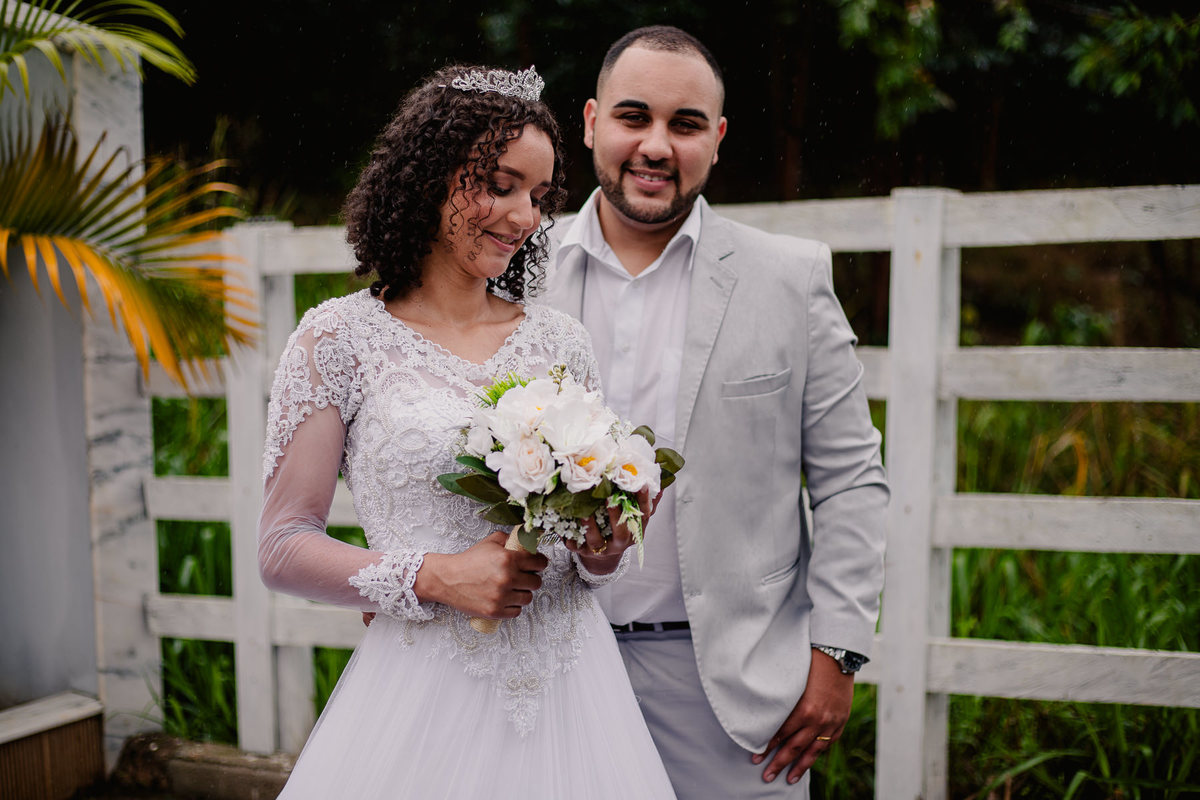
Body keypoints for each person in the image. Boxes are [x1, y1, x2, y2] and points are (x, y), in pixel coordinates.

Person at [257, 64, 676, 799]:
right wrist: (436, 576)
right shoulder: (339, 340)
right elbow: (282, 546)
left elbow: (585, 563)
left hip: (574, 694)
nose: (524, 217)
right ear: (427, 177)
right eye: (500, 183)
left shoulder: (561, 342)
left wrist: (608, 539)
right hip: (421, 696)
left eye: (540, 198)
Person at [541, 26, 889, 798]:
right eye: (635, 118)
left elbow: (852, 481)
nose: (656, 146)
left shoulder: (790, 279)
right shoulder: (515, 273)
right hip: (546, 667)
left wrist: (838, 654)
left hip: (731, 692)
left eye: (685, 124)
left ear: (718, 139)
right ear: (593, 122)